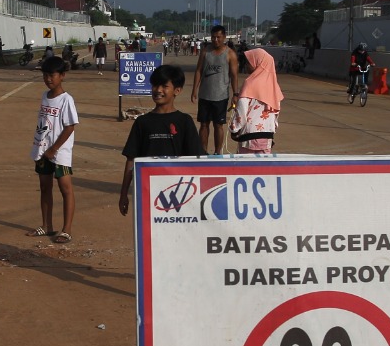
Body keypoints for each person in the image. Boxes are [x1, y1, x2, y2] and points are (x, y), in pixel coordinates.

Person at [119, 64, 205, 215]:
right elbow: (131, 160)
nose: (158, 90)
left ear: (177, 90)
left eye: (164, 86)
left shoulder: (184, 121)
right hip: (148, 191)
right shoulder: (142, 122)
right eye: (155, 85)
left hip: (180, 193)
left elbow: (196, 159)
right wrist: (123, 193)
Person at [27, 56, 79, 244]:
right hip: (42, 150)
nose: (49, 79)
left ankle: (66, 229)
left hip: (60, 153)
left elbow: (70, 126)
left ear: (62, 76)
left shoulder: (66, 100)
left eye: (52, 75)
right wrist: (40, 147)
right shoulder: (44, 96)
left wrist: (54, 148)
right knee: (44, 187)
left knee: (65, 189)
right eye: (45, 75)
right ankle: (46, 225)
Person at [191, 25, 240, 156]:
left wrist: (235, 94)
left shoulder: (230, 54)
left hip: (221, 96)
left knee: (218, 125)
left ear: (224, 37)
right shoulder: (205, 52)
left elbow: (234, 75)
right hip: (205, 94)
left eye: (218, 37)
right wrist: (194, 90)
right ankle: (203, 151)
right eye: (213, 37)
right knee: (204, 125)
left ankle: (218, 152)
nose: (216, 40)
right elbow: (198, 71)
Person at [230, 48, 283, 154]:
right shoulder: (274, 86)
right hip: (267, 135)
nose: (246, 65)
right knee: (262, 167)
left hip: (249, 135)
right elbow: (276, 113)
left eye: (249, 62)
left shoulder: (249, 83)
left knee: (246, 168)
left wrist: (234, 128)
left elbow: (242, 111)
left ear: (258, 63)